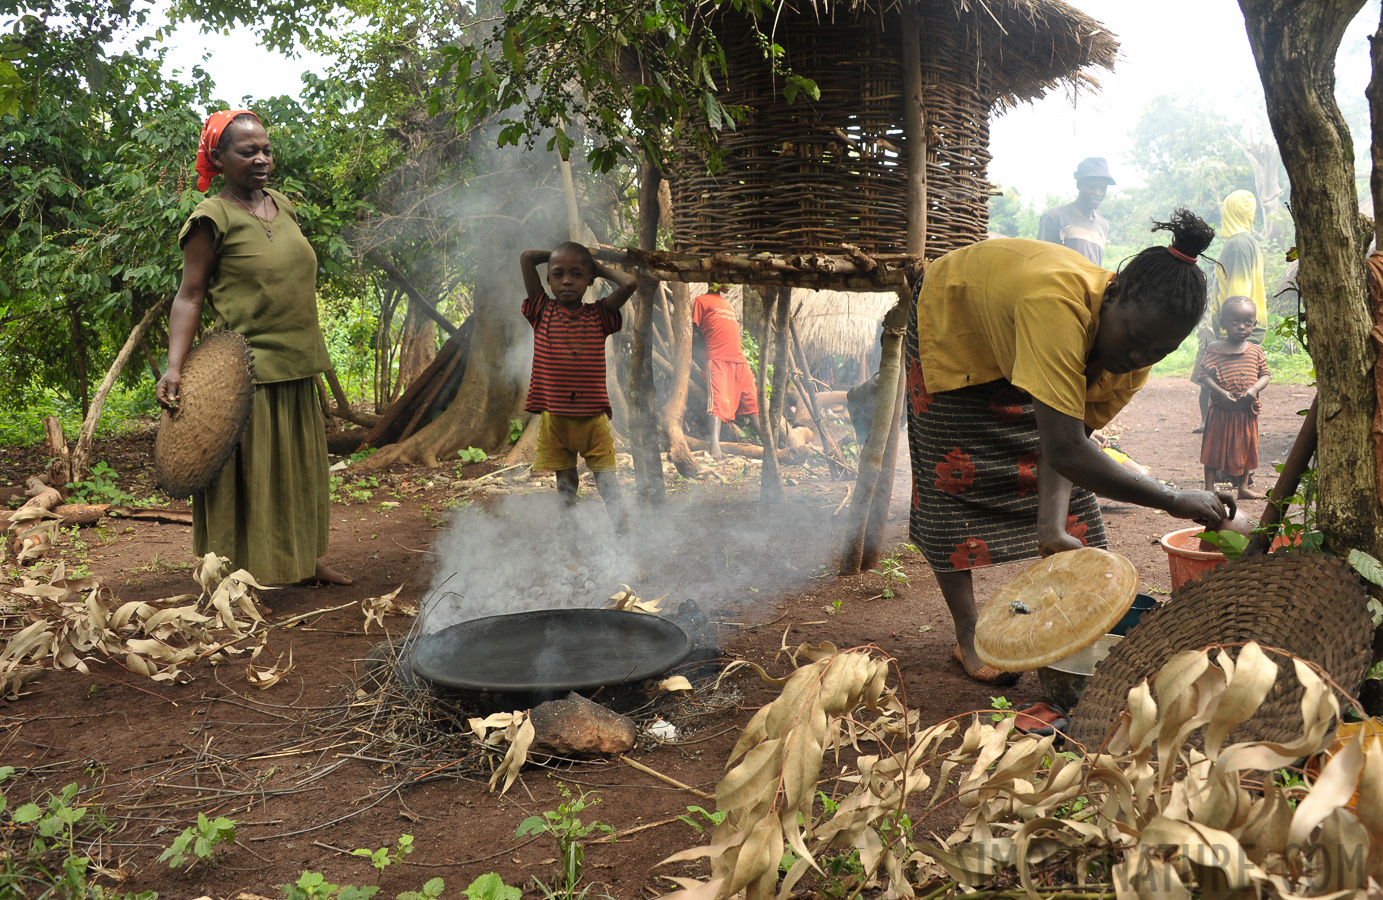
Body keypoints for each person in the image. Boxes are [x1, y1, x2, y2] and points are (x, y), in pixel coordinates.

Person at [905, 209, 1235, 684]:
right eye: (1137, 339)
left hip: (1023, 326)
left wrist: (1051, 526)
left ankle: (1077, 633)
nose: (1140, 357)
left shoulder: (1136, 352)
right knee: (951, 477)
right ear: (1114, 293)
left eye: (1158, 353)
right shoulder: (1054, 307)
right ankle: (969, 635)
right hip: (955, 315)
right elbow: (1065, 452)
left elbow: (1071, 438)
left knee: (1073, 514)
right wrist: (1173, 498)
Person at [156, 110, 349, 586]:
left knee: (301, 473)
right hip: (246, 371)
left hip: (297, 362)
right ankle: (234, 578)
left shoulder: (281, 204)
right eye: (249, 152)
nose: (262, 159)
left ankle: (306, 558)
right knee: (250, 482)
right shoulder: (210, 218)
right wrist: (173, 366)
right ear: (219, 159)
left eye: (266, 149)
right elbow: (190, 295)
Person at [520, 243, 637, 527]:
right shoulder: (541, 309)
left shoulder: (600, 315)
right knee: (566, 488)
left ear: (589, 279)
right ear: (548, 279)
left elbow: (630, 282)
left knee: (609, 486)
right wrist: (561, 257)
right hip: (555, 421)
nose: (567, 281)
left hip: (593, 422)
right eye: (558, 274)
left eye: (577, 274)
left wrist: (598, 267)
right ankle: (571, 553)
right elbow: (527, 257)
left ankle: (624, 552)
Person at [1193, 190, 1266, 433]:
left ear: (1231, 212)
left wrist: (1230, 327)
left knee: (1218, 377)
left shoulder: (1237, 244)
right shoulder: (1249, 242)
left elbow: (1238, 292)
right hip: (1239, 323)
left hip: (1232, 326)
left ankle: (1223, 436)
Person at [1196, 296, 1270, 500]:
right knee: (1212, 448)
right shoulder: (1214, 349)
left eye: (1248, 322)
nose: (1242, 327)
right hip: (1221, 409)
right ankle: (1209, 488)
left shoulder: (1255, 351)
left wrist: (1254, 389)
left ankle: (1243, 488)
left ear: (1254, 324)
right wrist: (1220, 392)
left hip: (1246, 411)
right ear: (1223, 323)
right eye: (1235, 322)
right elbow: (1204, 377)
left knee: (1247, 448)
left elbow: (1265, 375)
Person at [692, 285, 761, 458]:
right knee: (717, 403)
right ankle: (714, 446)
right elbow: (695, 332)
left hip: (739, 360)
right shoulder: (700, 301)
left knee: (753, 402)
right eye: (723, 278)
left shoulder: (728, 304)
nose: (728, 283)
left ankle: (769, 444)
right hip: (718, 359)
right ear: (713, 281)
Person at [1036, 157, 1116, 267]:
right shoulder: (1054, 217)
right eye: (1092, 187)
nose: (1098, 193)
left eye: (1103, 189)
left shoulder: (1103, 225)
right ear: (1079, 184)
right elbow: (1040, 261)